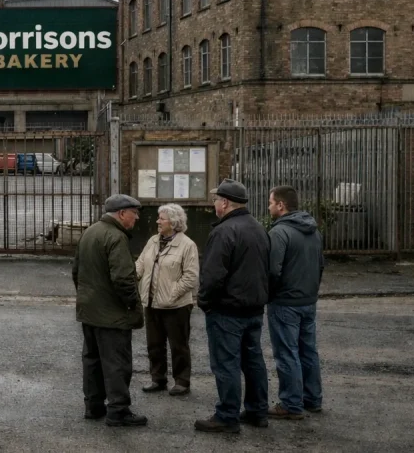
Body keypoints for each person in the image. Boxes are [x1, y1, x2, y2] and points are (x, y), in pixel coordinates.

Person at [194, 179, 271, 434]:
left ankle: (227, 416)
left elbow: (213, 274)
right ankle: (258, 410)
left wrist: (205, 302)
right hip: (254, 308)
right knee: (253, 361)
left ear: (224, 203)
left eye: (216, 200)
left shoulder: (224, 231)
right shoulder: (258, 228)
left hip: (227, 310)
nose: (214, 204)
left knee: (226, 363)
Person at [71, 194, 147, 427]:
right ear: (122, 213)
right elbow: (124, 279)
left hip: (90, 310)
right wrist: (132, 303)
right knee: (117, 363)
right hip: (112, 315)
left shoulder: (91, 232)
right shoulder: (116, 237)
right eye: (134, 214)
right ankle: (118, 410)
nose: (136, 219)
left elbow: (76, 271)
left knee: (92, 360)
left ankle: (93, 406)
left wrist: (88, 297)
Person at [266, 185, 325, 419]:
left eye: (271, 202)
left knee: (287, 352)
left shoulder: (279, 233)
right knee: (308, 350)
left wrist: (270, 295)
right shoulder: (314, 231)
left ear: (281, 205)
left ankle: (291, 404)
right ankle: (313, 398)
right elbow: (320, 265)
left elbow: (272, 270)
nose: (269, 206)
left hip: (285, 302)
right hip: (308, 300)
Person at [135, 203, 199, 396]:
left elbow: (191, 276)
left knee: (178, 345)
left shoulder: (187, 245)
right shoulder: (153, 241)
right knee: (154, 344)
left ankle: (182, 381)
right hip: (152, 302)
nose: (158, 221)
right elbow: (141, 263)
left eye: (161, 218)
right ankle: (158, 379)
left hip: (176, 305)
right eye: (159, 218)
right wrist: (134, 276)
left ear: (174, 222)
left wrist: (171, 294)